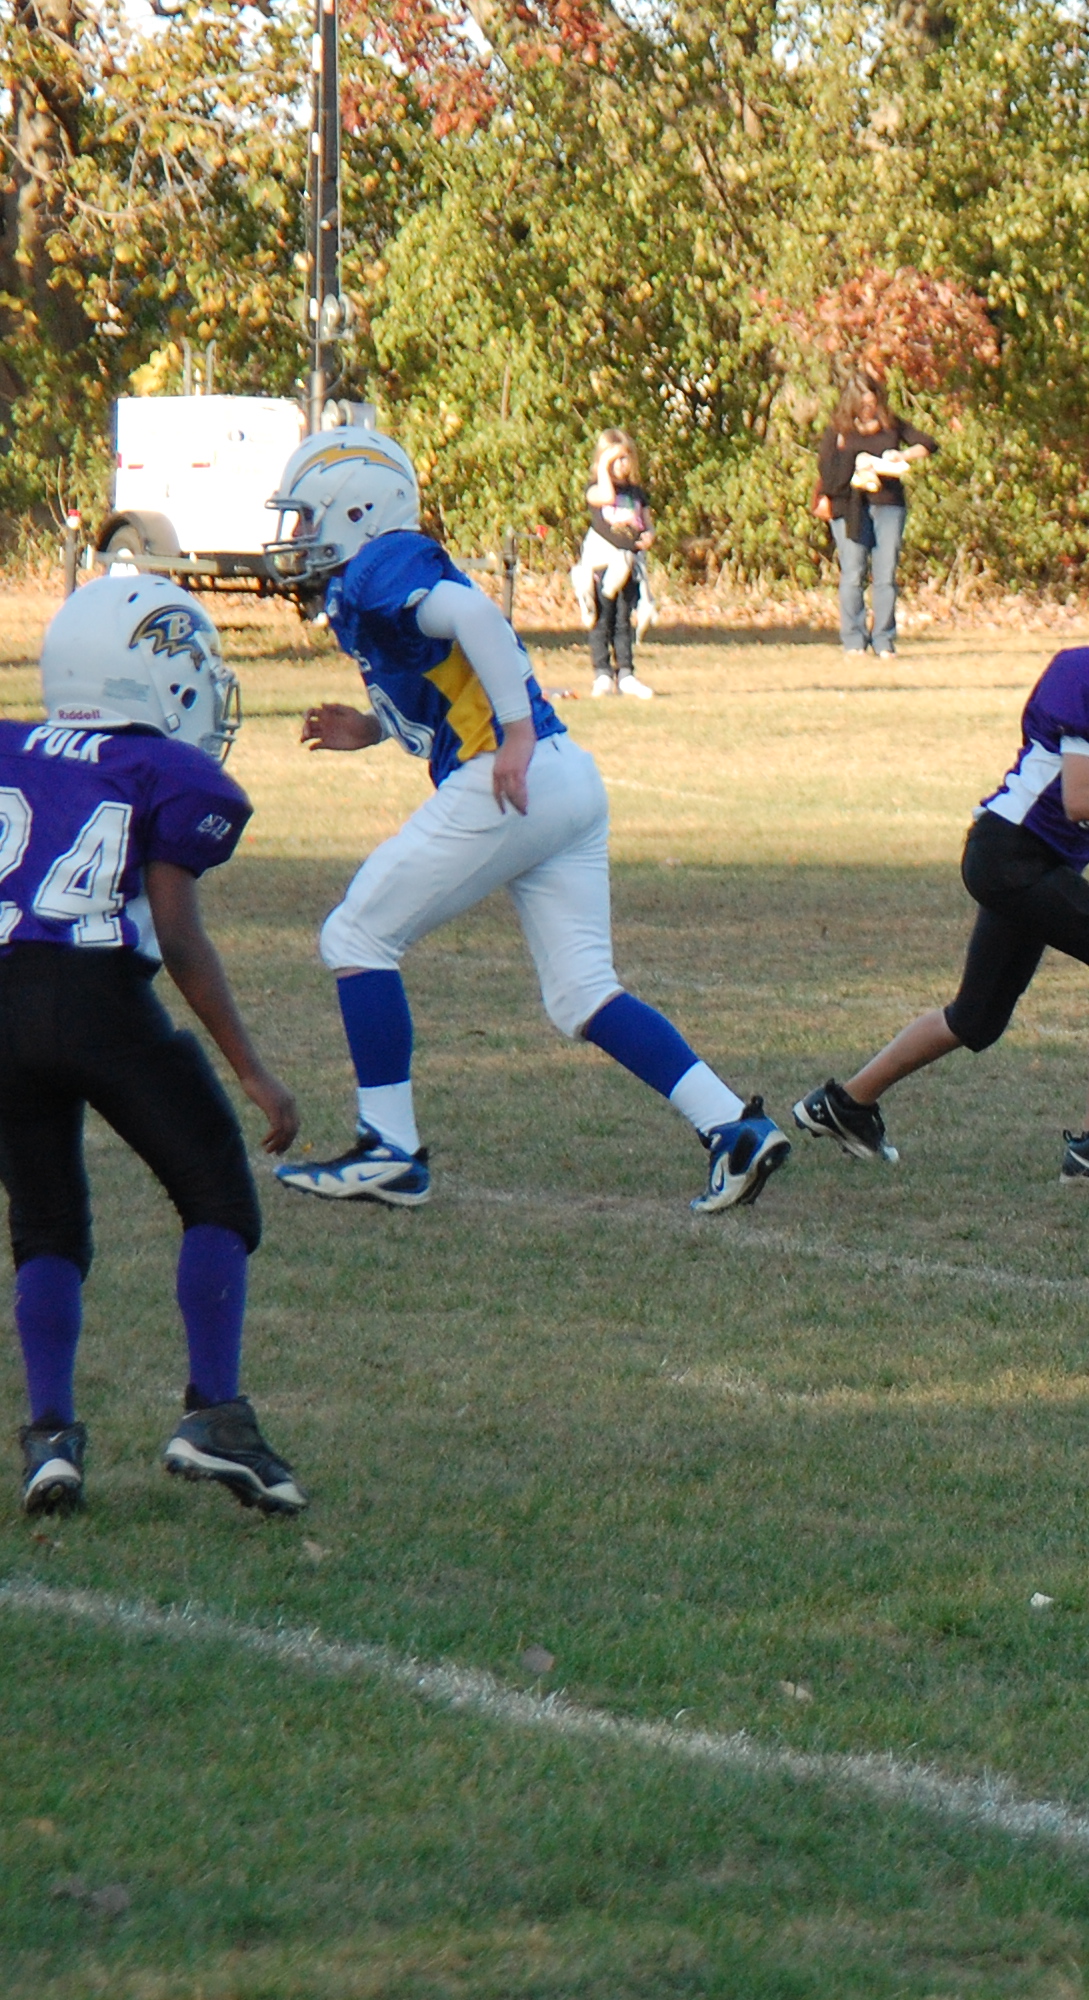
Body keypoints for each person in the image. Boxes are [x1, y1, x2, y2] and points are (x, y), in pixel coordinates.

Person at [263, 428, 791, 1215]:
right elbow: (449, 675)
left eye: (308, 516)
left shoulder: (379, 565)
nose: (298, 535)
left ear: (358, 510)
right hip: (563, 776)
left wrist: (512, 735)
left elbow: (474, 616)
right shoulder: (366, 584)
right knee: (582, 993)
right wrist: (373, 728)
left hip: (512, 775)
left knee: (357, 936)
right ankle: (733, 1128)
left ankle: (390, 1151)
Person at [791, 559, 1089, 1186]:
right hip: (1009, 851)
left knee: (976, 1019)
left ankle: (844, 1104)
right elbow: (1082, 800)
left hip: (1038, 863)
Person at [11, 578, 307, 1518]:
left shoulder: (11, 746)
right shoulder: (168, 772)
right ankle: (213, 1414)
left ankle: (49, 1439)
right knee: (215, 1189)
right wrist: (253, 1071)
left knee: (45, 1222)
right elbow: (178, 935)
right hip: (98, 996)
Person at [811, 381, 936, 658]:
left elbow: (928, 444)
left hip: (889, 506)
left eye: (873, 403)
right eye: (863, 404)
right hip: (849, 507)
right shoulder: (839, 429)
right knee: (853, 573)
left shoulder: (890, 423)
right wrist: (856, 463)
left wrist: (901, 455)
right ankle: (854, 640)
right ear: (851, 403)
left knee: (885, 575)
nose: (869, 409)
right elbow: (827, 471)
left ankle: (883, 640)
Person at [571, 428, 655, 700]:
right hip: (602, 565)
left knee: (623, 619)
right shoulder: (595, 489)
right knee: (601, 619)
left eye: (624, 458)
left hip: (627, 564)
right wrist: (604, 466)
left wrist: (649, 536)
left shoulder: (636, 493)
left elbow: (647, 522)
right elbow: (607, 498)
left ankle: (626, 674)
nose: (621, 464)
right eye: (614, 459)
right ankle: (603, 674)